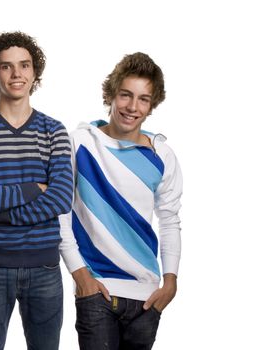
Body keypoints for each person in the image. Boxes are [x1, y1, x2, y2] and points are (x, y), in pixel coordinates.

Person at [59, 52, 183, 350]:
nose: (132, 107)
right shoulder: (79, 142)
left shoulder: (162, 155)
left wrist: (171, 282)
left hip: (147, 297)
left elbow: (170, 221)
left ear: (152, 105)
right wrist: (81, 276)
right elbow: (59, 214)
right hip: (97, 290)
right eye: (126, 95)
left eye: (143, 99)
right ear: (111, 95)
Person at [0, 31, 73, 350]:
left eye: (24, 65)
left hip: (45, 265)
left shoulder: (54, 131)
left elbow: (62, 198)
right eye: (6, 66)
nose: (16, 74)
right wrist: (36, 188)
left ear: (35, 72)